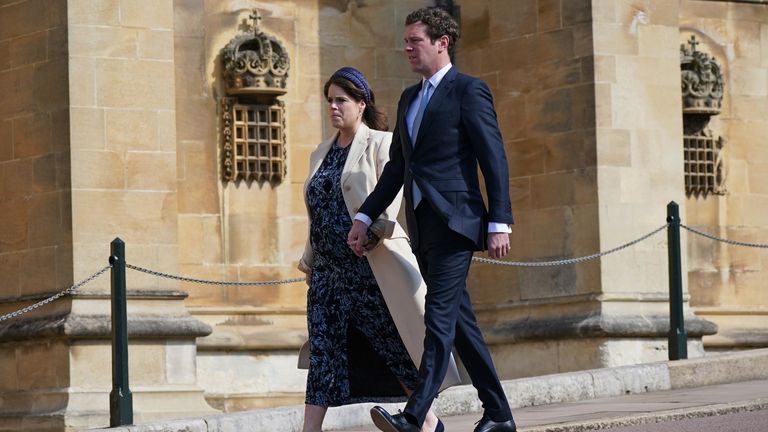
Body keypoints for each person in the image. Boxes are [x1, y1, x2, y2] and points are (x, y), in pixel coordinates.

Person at [347, 7, 518, 432]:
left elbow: (492, 157)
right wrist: (365, 215)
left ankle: (415, 414)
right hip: (424, 225)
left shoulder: (469, 90)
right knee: (460, 324)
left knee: (438, 317)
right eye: (405, 41)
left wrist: (499, 222)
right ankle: (499, 413)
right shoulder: (408, 98)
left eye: (415, 41)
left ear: (442, 43)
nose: (406, 48)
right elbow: (397, 168)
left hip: (458, 223)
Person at [297, 66, 460, 432]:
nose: (333, 108)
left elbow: (391, 196)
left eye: (341, 100)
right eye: (329, 101)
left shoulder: (380, 143)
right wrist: (308, 262)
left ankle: (427, 420)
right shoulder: (320, 153)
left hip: (367, 266)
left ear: (361, 103)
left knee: (391, 343)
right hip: (326, 273)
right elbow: (316, 210)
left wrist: (376, 228)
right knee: (323, 352)